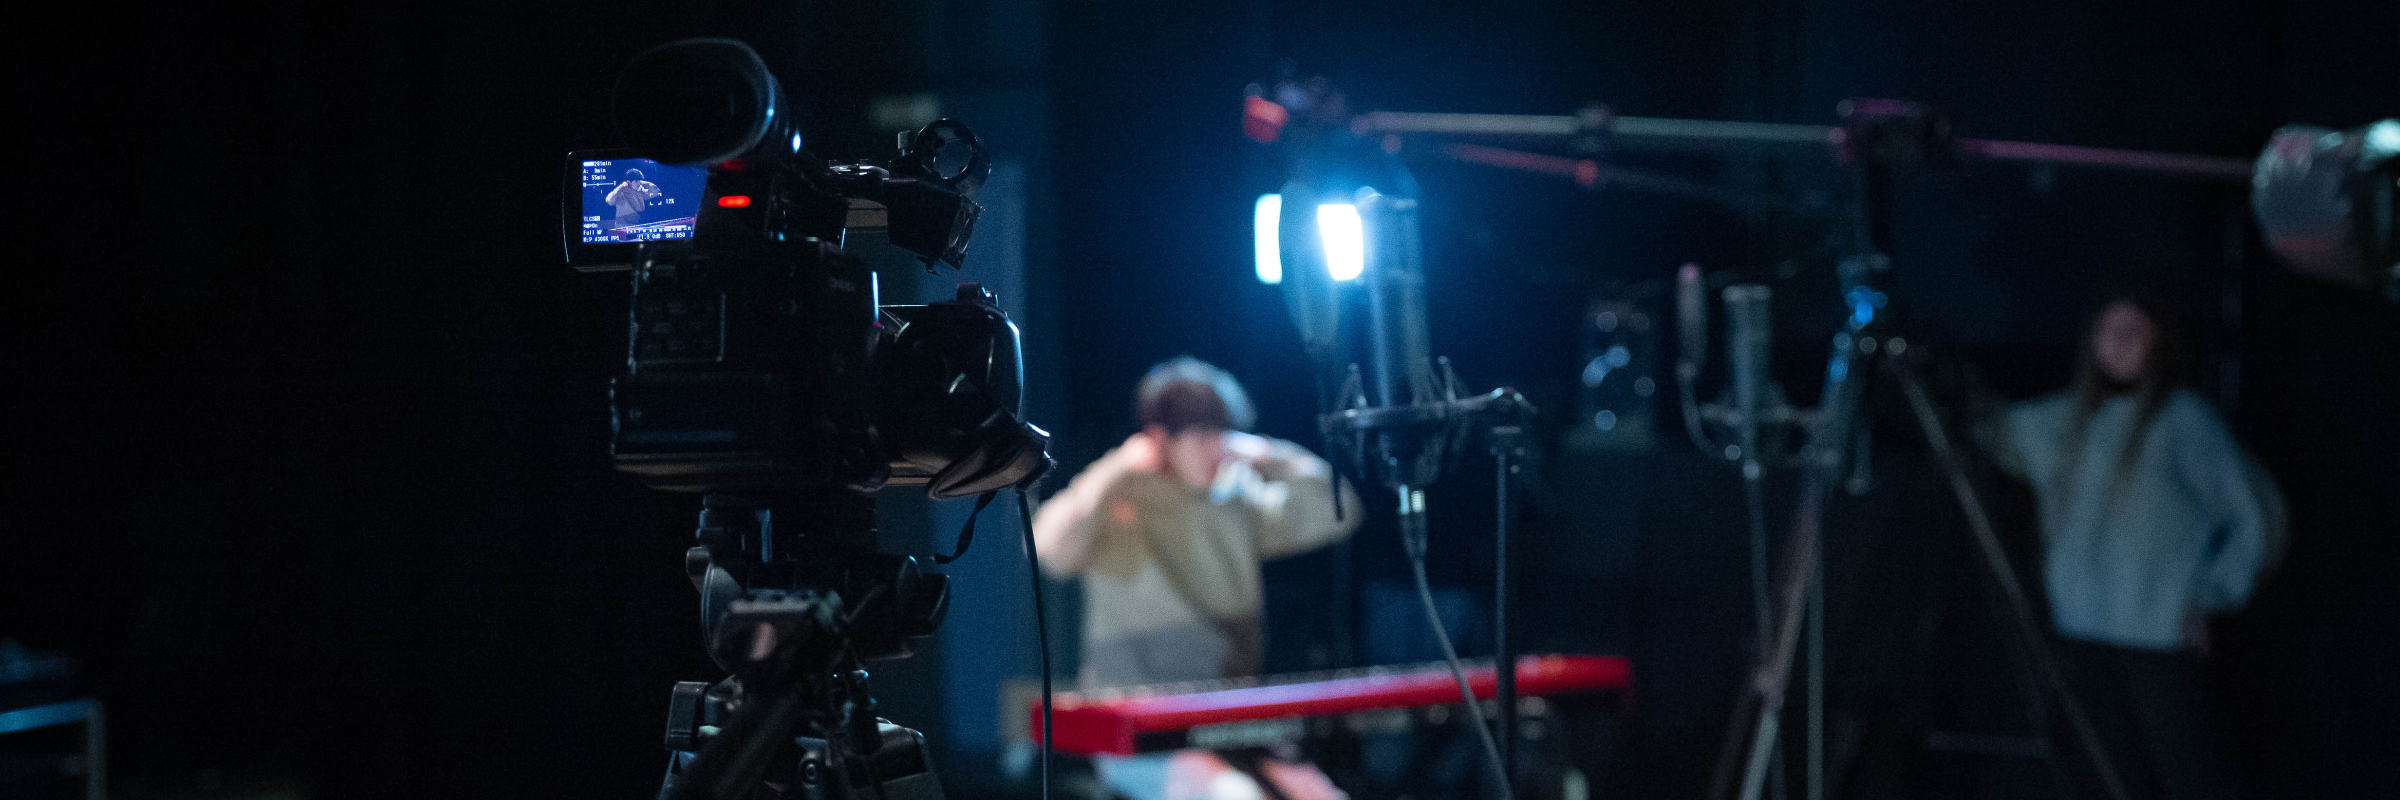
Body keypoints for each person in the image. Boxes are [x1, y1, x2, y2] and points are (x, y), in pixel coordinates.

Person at [1990, 292, 2286, 800]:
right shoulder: (2069, 420)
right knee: (2106, 770)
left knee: (2185, 771)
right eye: (2109, 331)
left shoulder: (2183, 421)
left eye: (2134, 331)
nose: (2120, 344)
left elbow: (2254, 515)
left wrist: (2213, 593)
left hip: (2156, 635)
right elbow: (1995, 432)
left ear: (2159, 341)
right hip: (2082, 628)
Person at [1033, 357, 1360, 800]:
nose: (1215, 448)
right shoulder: (1118, 502)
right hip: (1140, 729)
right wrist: (1115, 467)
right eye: (1200, 434)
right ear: (1160, 439)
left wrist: (1265, 451)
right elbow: (1045, 547)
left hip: (1228, 724)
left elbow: (1340, 509)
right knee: (1234, 796)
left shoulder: (1238, 497)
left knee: (1321, 796)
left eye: (1221, 433)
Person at [604, 168, 661, 236]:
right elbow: (609, 200)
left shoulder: (640, 191)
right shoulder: (621, 193)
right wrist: (621, 186)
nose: (639, 183)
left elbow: (656, 192)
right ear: (628, 182)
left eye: (639, 181)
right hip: (623, 229)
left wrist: (645, 183)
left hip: (637, 227)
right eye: (636, 181)